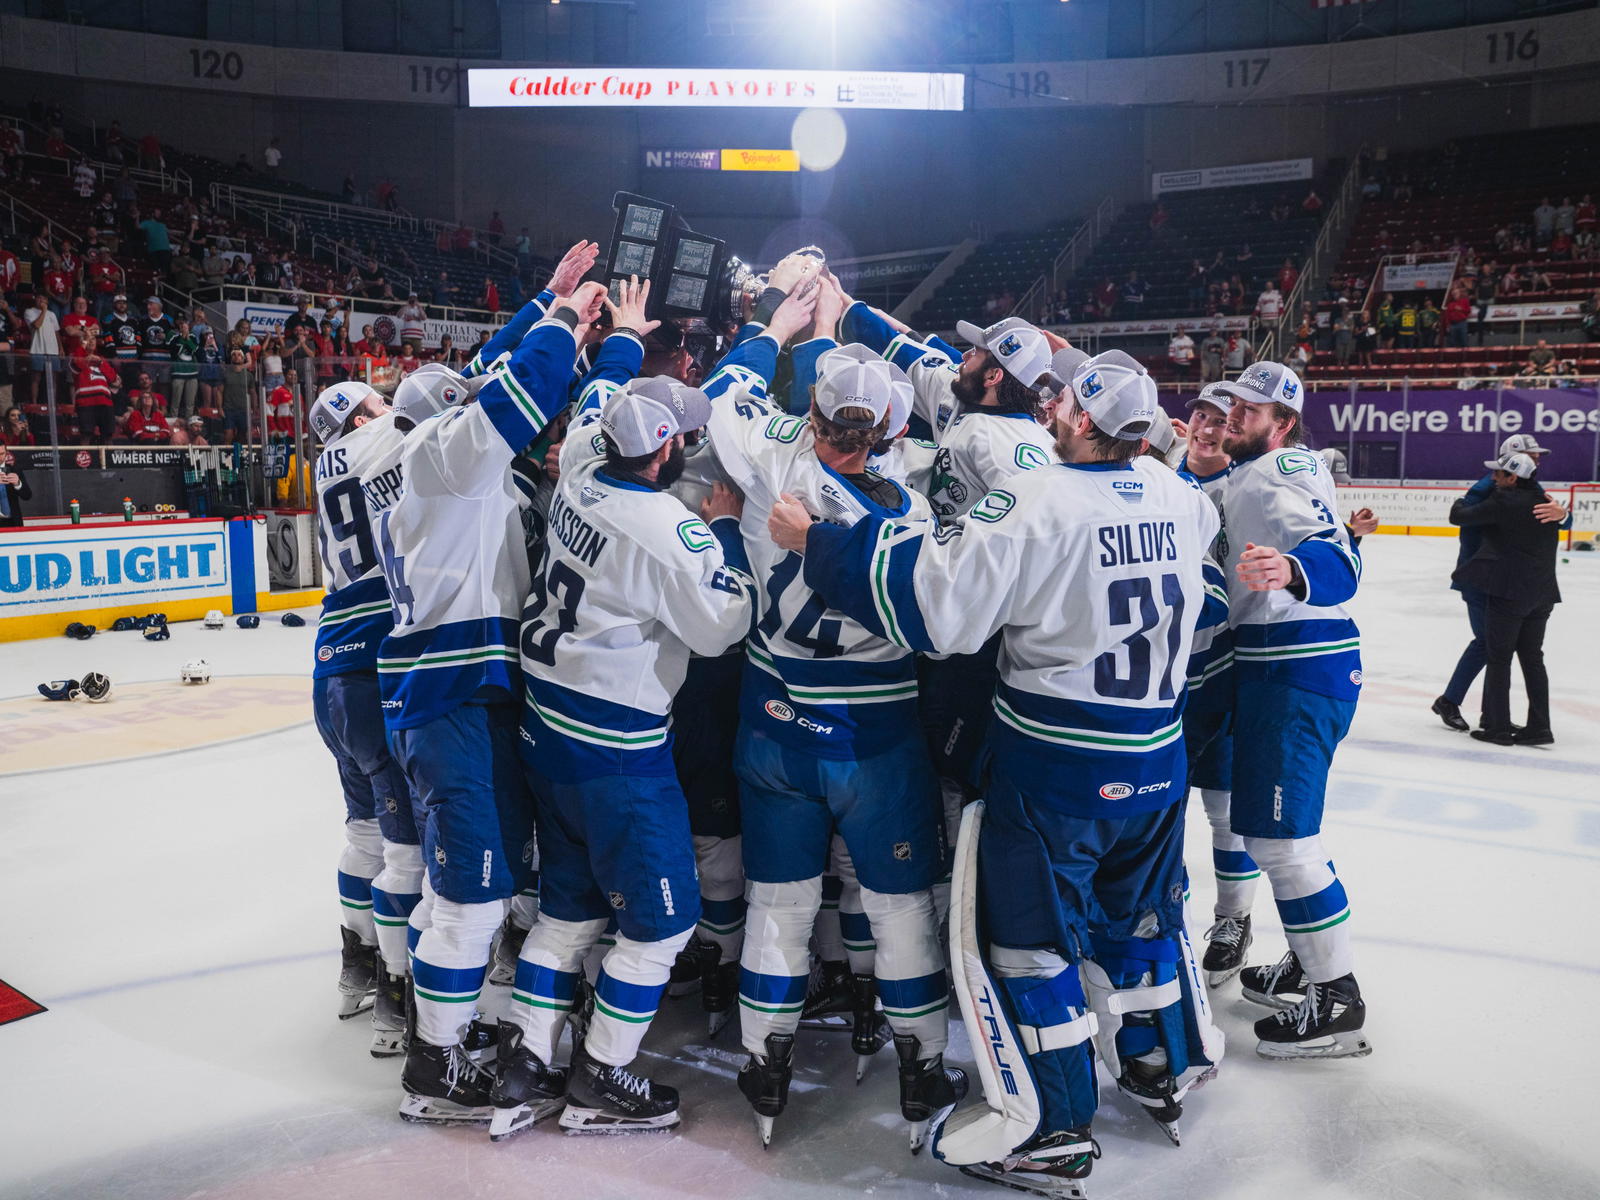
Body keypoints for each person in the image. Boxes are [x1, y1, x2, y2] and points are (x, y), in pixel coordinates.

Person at [771, 349, 1224, 1191]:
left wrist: (819, 544)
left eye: (1064, 409)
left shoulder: (1039, 499)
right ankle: (1157, 1061)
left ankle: (1053, 1125)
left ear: (1082, 420)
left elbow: (937, 605)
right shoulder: (1178, 493)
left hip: (1058, 762)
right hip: (1159, 755)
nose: (1051, 415)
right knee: (1139, 920)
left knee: (1027, 948)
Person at [697, 261, 962, 1150]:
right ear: (890, 426)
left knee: (778, 906)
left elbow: (725, 388)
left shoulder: (769, 449)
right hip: (875, 732)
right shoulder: (912, 515)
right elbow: (939, 624)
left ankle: (765, 1056)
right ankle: (922, 1062)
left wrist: (778, 320)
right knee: (897, 909)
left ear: (812, 412)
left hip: (774, 720)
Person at [500, 283, 757, 1139]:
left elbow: (597, 400)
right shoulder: (666, 528)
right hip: (617, 748)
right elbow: (721, 626)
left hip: (548, 726)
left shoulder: (574, 469)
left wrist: (619, 340)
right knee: (664, 920)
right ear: (669, 453)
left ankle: (530, 1056)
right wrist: (722, 531)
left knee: (570, 909)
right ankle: (603, 1073)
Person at [380, 245, 600, 1126]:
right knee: (471, 899)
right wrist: (567, 321)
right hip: (453, 702)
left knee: (455, 892)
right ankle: (435, 1062)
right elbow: (515, 387)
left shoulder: (424, 459)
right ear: (447, 418)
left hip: (444, 697)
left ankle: (440, 1029)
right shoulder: (449, 456)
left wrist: (542, 298)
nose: (478, 402)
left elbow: (477, 379)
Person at [1209, 361, 1372, 1060]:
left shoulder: (1285, 468)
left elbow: (1335, 557)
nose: (1237, 417)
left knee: (1283, 841)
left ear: (1283, 423)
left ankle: (1337, 994)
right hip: (1277, 666)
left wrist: (1298, 570)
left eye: (1252, 410)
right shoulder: (1249, 474)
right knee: (1270, 831)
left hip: (1297, 664)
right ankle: (1310, 963)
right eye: (1235, 405)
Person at [306, 377, 429, 1054]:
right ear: (360, 416)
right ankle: (395, 997)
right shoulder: (376, 441)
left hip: (329, 665)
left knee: (363, 836)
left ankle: (355, 967)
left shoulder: (327, 463)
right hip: (373, 666)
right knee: (406, 850)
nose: (388, 404)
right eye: (376, 401)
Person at [1433, 434, 1567, 733]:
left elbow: (1550, 516)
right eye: (1534, 453)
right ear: (1515, 457)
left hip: (1504, 580)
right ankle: (1459, 705)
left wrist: (1564, 514)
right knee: (1489, 645)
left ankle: (1490, 717)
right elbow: (1464, 518)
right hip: (1485, 578)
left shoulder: (1522, 483)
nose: (1539, 458)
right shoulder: (1490, 486)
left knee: (1493, 646)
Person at [0, 441, 29, 527]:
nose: (0, 457)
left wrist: (18, 484)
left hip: (13, 522)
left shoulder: (15, 470)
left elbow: (27, 495)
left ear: (6, 454)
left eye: (2, 454)